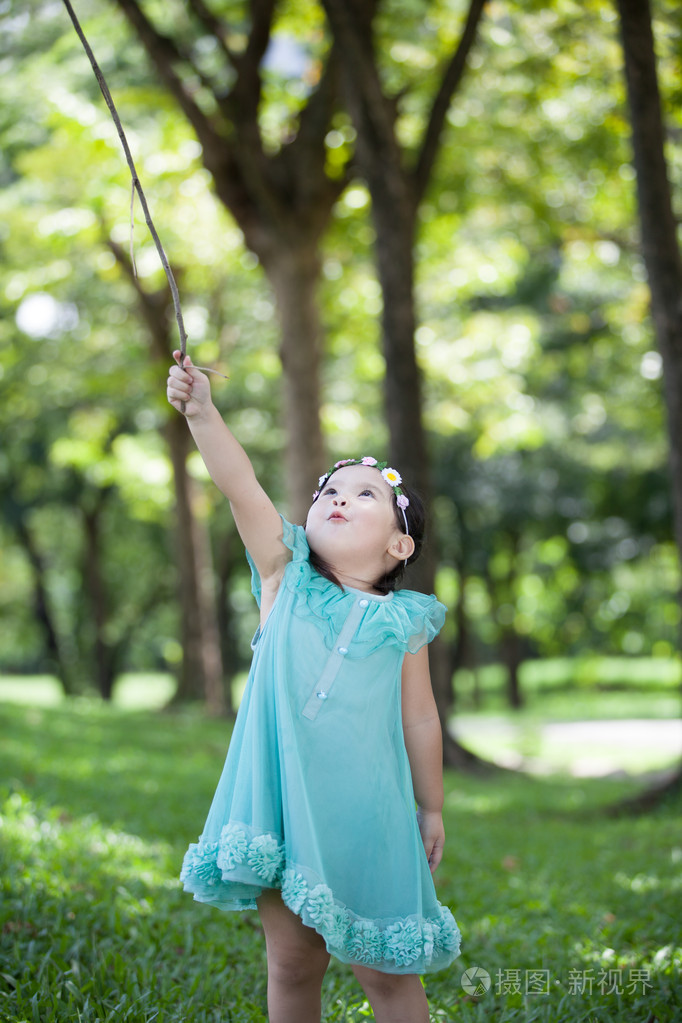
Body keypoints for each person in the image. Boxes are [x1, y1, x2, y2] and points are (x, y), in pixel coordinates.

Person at [166, 353, 461, 1023]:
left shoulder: (402, 623)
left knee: (388, 974)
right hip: (281, 806)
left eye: (364, 494)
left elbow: (420, 718)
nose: (338, 498)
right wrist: (202, 411)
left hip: (371, 819)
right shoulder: (284, 578)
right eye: (329, 489)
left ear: (399, 546)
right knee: (293, 961)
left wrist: (432, 806)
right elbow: (241, 487)